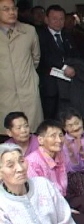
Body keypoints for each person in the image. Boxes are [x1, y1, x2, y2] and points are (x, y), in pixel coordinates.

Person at [37, 5, 84, 126]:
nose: (58, 22)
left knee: (66, 116)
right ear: (46, 19)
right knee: (50, 117)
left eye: (61, 19)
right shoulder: (40, 36)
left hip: (68, 85)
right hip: (50, 84)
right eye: (54, 19)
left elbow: (75, 56)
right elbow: (44, 55)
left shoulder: (67, 36)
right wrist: (64, 66)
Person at [0, 0, 43, 135]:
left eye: (14, 8)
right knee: (6, 135)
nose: (11, 12)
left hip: (28, 92)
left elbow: (35, 59)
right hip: (4, 93)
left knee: (31, 132)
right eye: (6, 9)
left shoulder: (29, 31)